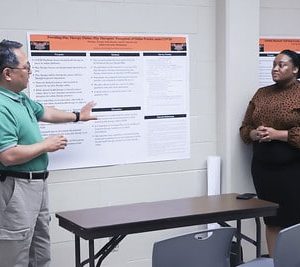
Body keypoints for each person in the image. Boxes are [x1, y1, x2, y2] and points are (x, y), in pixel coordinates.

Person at [0, 39, 96, 266]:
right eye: (26, 67)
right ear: (7, 73)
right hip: (16, 188)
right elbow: (8, 155)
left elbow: (46, 113)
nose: (30, 72)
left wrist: (78, 116)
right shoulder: (1, 106)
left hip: (37, 185)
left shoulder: (19, 98)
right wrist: (46, 145)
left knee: (40, 247)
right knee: (16, 252)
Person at [240, 49, 300, 257]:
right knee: (272, 218)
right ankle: (274, 262)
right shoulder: (261, 93)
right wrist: (256, 134)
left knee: (294, 221)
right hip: (264, 170)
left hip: (292, 172)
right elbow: (245, 128)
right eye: (274, 64)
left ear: (296, 69)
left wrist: (278, 134)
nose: (275, 68)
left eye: (282, 64)